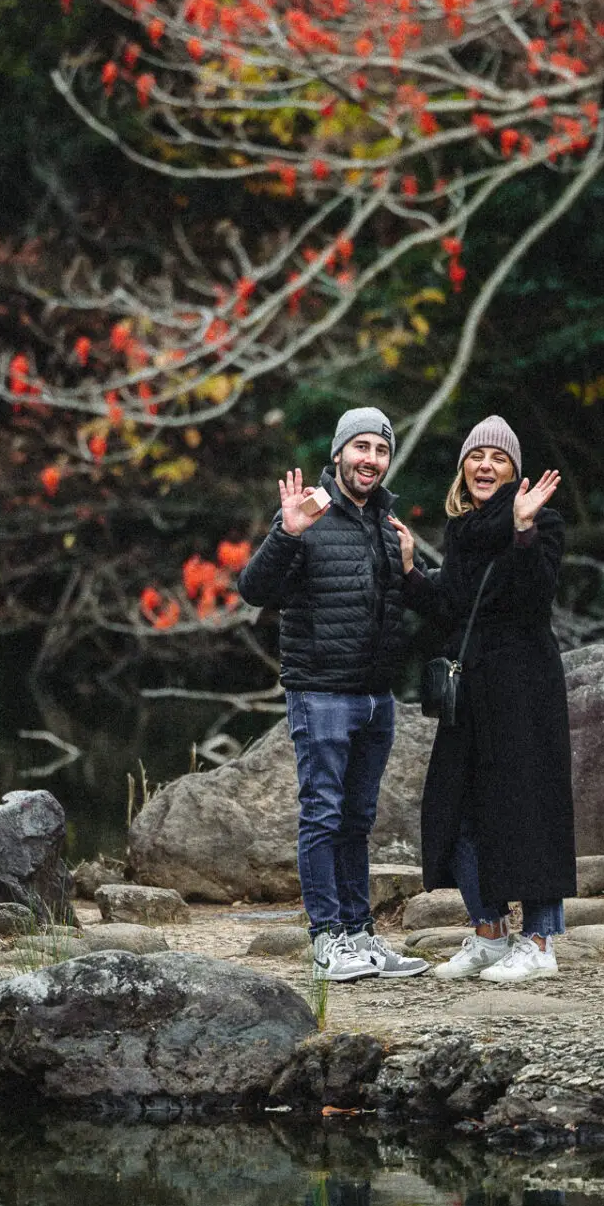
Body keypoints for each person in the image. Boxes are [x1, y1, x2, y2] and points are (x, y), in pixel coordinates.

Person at [238, 407, 431, 982]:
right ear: (339, 453)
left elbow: (411, 610)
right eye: (361, 448)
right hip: (320, 692)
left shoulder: (388, 525)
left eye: (380, 450)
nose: (370, 459)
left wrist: (411, 568)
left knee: (357, 819)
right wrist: (285, 532)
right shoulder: (308, 514)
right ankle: (326, 942)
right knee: (322, 815)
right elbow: (253, 589)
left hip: (376, 697)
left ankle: (360, 935)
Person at [391, 416, 574, 984]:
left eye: (499, 458)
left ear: (515, 471)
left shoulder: (543, 520)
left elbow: (534, 596)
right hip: (470, 691)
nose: (486, 466)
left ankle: (540, 940)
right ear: (464, 467)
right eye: (477, 456)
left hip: (523, 685)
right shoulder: (462, 529)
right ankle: (489, 932)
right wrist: (408, 572)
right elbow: (452, 605)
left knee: (529, 807)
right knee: (459, 808)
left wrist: (522, 530)